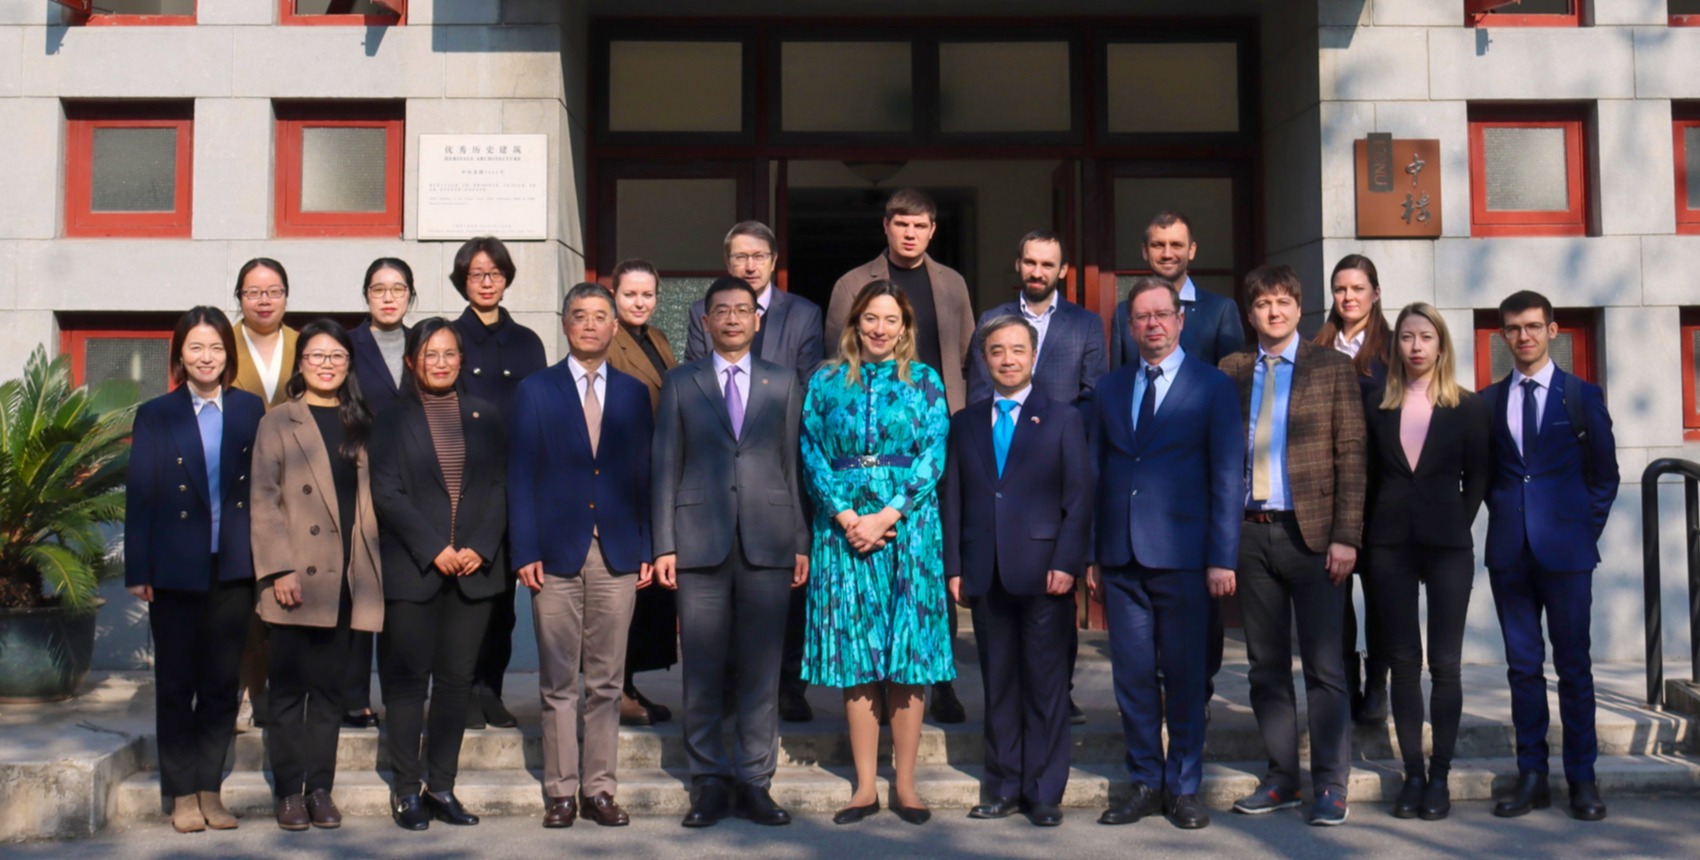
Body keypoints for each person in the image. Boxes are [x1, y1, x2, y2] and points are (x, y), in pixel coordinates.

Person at [653, 276, 810, 829]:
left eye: (743, 310)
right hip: (699, 541)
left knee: (761, 669)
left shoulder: (783, 381)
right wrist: (665, 543)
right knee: (701, 666)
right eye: (722, 311)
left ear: (757, 319)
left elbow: (793, 465)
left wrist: (800, 541)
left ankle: (754, 780)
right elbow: (665, 464)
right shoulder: (681, 381)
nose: (733, 319)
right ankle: (709, 780)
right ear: (706, 320)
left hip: (770, 539)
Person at [1088, 278, 1244, 831]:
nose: (1152, 324)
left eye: (1162, 314)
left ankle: (1183, 787)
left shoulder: (1213, 386)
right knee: (1132, 678)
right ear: (1129, 327)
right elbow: (1097, 473)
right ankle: (1143, 782)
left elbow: (1228, 475)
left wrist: (1223, 557)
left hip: (1185, 557)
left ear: (1180, 320)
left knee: (1184, 677)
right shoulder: (1109, 388)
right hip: (1121, 557)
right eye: (1141, 316)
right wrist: (1093, 553)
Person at [803, 280, 954, 827]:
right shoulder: (825, 381)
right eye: (871, 318)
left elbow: (933, 454)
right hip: (842, 531)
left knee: (907, 654)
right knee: (857, 654)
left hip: (908, 530)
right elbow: (811, 452)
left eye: (891, 319)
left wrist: (887, 515)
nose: (880, 329)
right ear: (855, 322)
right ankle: (865, 786)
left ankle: (906, 784)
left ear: (905, 327)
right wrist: (847, 518)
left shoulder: (926, 381)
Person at [1219, 265, 1365, 827]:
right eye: (1263, 304)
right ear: (1249, 313)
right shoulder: (1231, 369)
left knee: (1325, 667)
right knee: (1266, 666)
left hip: (1315, 537)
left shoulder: (1332, 367)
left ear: (1299, 309)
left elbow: (1352, 454)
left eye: (1283, 302)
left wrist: (1346, 536)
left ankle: (1330, 784)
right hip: (1250, 534)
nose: (1273, 312)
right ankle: (1282, 777)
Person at [825, 188, 976, 723]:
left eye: (921, 225)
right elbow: (836, 354)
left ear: (932, 230)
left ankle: (941, 679)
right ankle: (874, 678)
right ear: (886, 226)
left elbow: (967, 355)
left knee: (932, 560)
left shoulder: (951, 284)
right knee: (871, 567)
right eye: (902, 224)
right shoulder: (852, 284)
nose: (911, 233)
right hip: (869, 450)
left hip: (933, 435)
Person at [511, 283, 654, 830]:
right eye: (580, 315)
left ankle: (599, 789)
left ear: (615, 327)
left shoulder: (633, 393)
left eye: (600, 316)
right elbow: (520, 474)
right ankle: (561, 792)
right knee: (557, 682)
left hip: (617, 551)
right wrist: (525, 548)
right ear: (565, 324)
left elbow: (644, 473)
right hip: (553, 553)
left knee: (607, 681)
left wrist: (647, 544)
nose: (590, 325)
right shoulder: (536, 390)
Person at [943, 315, 1091, 827]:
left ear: (1034, 357)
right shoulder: (965, 422)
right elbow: (953, 500)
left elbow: (1079, 498)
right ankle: (1003, 785)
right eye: (997, 351)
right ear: (985, 360)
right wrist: (955, 566)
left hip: (1045, 571)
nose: (1007, 359)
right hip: (985, 570)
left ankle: (1044, 791)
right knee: (999, 685)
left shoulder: (1063, 418)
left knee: (1046, 686)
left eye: (1017, 350)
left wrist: (1068, 562)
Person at [124, 306, 266, 833]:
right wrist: (139, 567)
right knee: (175, 683)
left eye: (216, 348)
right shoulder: (157, 413)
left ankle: (210, 789)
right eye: (196, 348)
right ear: (180, 355)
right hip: (174, 567)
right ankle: (181, 793)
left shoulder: (250, 408)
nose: (207, 357)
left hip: (233, 565)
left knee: (221, 684)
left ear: (228, 355)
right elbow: (141, 494)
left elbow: (263, 486)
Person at [1481, 291, 1618, 822]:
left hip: (1567, 556)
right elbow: (1488, 477)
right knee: (1522, 669)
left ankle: (1582, 779)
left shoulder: (1581, 396)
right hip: (1510, 554)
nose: (1524, 336)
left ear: (1552, 331)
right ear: (1503, 335)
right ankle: (1532, 776)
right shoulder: (1489, 402)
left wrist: (1580, 532)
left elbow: (1604, 476)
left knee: (1574, 667)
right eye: (1514, 328)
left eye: (1533, 326)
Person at [369, 317, 508, 831]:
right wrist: (435, 549)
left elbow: (500, 485)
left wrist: (479, 547)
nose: (441, 363)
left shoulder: (486, 414)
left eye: (450, 353)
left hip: (473, 571)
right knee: (407, 683)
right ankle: (407, 790)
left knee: (455, 684)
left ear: (461, 359)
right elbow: (387, 492)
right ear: (412, 361)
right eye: (430, 354)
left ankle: (442, 787)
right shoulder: (390, 418)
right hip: (414, 570)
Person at [684, 222, 823, 724]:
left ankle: (788, 685)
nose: (749, 265)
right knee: (722, 591)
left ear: (773, 261)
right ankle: (726, 687)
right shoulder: (704, 312)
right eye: (740, 256)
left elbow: (809, 383)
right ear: (728, 262)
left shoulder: (803, 314)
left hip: (780, 461)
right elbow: (695, 376)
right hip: (718, 465)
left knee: (785, 584)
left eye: (758, 256)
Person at [1107, 212, 1245, 717]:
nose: (1168, 252)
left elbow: (1233, 388)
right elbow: (1122, 386)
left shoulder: (1220, 310)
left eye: (1176, 244)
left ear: (1192, 250)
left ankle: (1195, 695)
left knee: (1196, 630)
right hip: (1140, 493)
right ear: (1145, 252)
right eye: (1158, 244)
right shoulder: (1126, 313)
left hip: (1191, 494)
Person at [967, 230, 1106, 725]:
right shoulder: (992, 319)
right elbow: (978, 390)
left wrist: (1054, 437)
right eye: (1030, 262)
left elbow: (1092, 396)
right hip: (1002, 466)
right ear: (1018, 264)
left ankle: (1058, 693)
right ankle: (1005, 706)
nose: (1038, 272)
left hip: (1058, 466)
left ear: (1062, 271)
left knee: (1056, 595)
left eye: (1048, 264)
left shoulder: (1086, 324)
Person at [250, 319, 383, 832]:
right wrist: (279, 568)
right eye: (316, 356)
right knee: (288, 692)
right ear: (300, 362)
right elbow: (264, 499)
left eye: (336, 357)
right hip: (296, 576)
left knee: (330, 692)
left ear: (349, 364)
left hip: (348, 577)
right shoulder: (278, 421)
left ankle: (320, 788)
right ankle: (289, 791)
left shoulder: (361, 421)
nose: (326, 365)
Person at [1360, 303, 1490, 822]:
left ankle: (1440, 776)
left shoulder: (1469, 407)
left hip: (1447, 547)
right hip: (1388, 545)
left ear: (1441, 345)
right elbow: (1367, 476)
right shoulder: (1377, 404)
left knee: (1445, 664)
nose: (1416, 346)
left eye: (1426, 336)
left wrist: (1455, 521)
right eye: (1407, 336)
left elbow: (1478, 478)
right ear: (1396, 345)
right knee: (1402, 663)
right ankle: (1412, 773)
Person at [450, 236, 547, 731]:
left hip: (515, 487)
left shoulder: (527, 342)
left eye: (495, 273)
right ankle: (462, 690)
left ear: (506, 279)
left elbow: (541, 414)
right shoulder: (449, 337)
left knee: (504, 603)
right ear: (462, 281)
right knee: (466, 597)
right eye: (476, 274)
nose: (486, 282)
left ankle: (492, 689)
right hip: (462, 487)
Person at [1314, 254, 1394, 726]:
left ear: (1375, 294)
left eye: (1358, 289)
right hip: (1329, 493)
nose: (1348, 297)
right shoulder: (1317, 346)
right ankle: (1345, 680)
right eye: (1341, 289)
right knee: (1334, 596)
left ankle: (1378, 684)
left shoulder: (1393, 350)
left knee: (1381, 594)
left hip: (1381, 490)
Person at [604, 258, 679, 727]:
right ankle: (615, 690)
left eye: (647, 294)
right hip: (622, 476)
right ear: (614, 295)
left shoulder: (658, 339)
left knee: (648, 591)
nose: (639, 302)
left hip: (658, 474)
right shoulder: (606, 338)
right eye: (630, 294)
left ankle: (627, 685)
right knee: (623, 590)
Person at [344, 257, 416, 732]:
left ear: (411, 295)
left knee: (403, 593)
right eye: (378, 289)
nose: (388, 297)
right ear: (366, 295)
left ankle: (401, 696)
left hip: (415, 479)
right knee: (360, 587)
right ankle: (353, 696)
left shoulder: (426, 341)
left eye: (398, 288)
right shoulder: (348, 345)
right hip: (359, 475)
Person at [229, 257, 299, 729]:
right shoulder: (223, 342)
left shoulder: (303, 344)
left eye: (273, 291)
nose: (264, 300)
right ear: (239, 298)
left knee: (287, 589)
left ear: (286, 297)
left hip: (296, 483)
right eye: (253, 292)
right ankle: (244, 690)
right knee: (244, 596)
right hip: (237, 481)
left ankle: (282, 691)